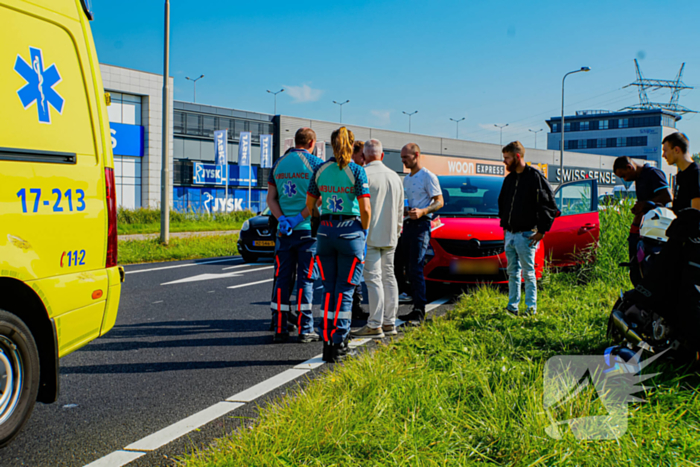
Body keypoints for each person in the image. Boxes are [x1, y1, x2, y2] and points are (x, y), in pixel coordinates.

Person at [306, 127, 371, 363]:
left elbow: (311, 204)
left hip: (325, 231)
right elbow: (365, 209)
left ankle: (327, 343)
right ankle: (340, 344)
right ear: (352, 145)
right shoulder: (357, 171)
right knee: (345, 290)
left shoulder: (320, 169)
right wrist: (363, 231)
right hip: (350, 232)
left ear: (331, 145)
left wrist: (319, 224)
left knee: (328, 289)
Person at [267, 128, 325, 343]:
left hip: (283, 233)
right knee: (305, 280)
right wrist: (298, 217)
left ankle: (280, 327)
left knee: (282, 279)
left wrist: (283, 218)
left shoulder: (278, 164)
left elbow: (271, 199)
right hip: (307, 231)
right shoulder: (316, 165)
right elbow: (318, 200)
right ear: (311, 142)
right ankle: (305, 328)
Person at [350, 139, 404, 338]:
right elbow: (400, 209)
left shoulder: (362, 174)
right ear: (382, 155)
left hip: (369, 234)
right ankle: (390, 322)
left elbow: (359, 207)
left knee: (373, 279)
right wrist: (398, 230)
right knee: (389, 277)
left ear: (363, 156)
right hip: (391, 235)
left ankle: (374, 323)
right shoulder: (395, 177)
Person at [498, 141, 557, 316]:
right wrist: (505, 228)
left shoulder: (535, 177)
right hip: (510, 234)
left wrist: (541, 231)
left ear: (517, 157)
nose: (504, 162)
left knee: (529, 273)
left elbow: (549, 205)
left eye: (507, 158)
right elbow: (502, 203)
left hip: (526, 234)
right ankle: (512, 307)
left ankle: (531, 309)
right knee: (512, 273)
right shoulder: (509, 179)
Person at [397, 143, 443, 323]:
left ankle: (419, 311)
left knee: (415, 267)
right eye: (401, 158)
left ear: (416, 155)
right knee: (402, 265)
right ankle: (412, 302)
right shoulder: (407, 178)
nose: (403, 161)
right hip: (408, 225)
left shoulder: (428, 176)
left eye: (405, 157)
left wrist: (423, 211)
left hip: (422, 225)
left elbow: (439, 202)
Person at [613, 156, 672, 262]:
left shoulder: (653, 173)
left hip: (655, 228)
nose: (625, 180)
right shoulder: (639, 178)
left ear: (629, 167)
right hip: (644, 226)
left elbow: (667, 196)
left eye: (624, 176)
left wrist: (644, 204)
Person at [350, 141, 369, 320]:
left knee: (358, 269)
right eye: (361, 155)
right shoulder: (353, 172)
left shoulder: (362, 171)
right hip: (352, 228)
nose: (364, 159)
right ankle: (354, 306)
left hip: (358, 227)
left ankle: (356, 304)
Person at [662, 132, 700, 213]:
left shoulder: (696, 174)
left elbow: (696, 214)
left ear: (676, 150)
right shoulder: (680, 175)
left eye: (665, 151)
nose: (663, 155)